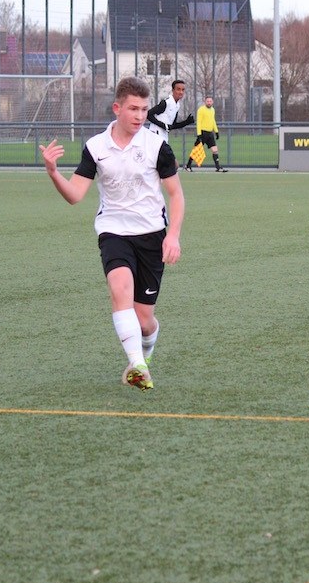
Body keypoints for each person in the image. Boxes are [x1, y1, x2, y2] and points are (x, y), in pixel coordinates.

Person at [40, 76, 185, 390]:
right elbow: (75, 195)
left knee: (144, 321)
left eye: (144, 110)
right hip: (113, 232)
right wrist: (53, 172)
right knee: (120, 290)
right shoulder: (96, 147)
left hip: (151, 235)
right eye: (133, 109)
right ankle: (138, 365)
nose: (140, 116)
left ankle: (144, 354)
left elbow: (176, 195)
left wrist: (172, 235)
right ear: (117, 108)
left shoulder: (157, 146)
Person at [146, 79, 194, 168]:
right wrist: (162, 125)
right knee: (172, 165)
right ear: (173, 90)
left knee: (171, 165)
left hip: (164, 137)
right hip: (156, 135)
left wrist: (186, 122)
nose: (181, 92)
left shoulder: (177, 105)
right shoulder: (166, 103)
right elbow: (148, 114)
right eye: (178, 89)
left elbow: (172, 126)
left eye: (183, 90)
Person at [183, 95, 225, 172]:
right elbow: (199, 122)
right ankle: (188, 166)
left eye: (210, 101)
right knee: (196, 150)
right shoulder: (201, 110)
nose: (209, 103)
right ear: (205, 102)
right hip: (203, 133)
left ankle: (218, 167)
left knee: (215, 149)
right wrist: (199, 134)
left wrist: (216, 131)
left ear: (212, 102)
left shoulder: (212, 110)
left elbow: (213, 121)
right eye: (207, 101)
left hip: (210, 133)